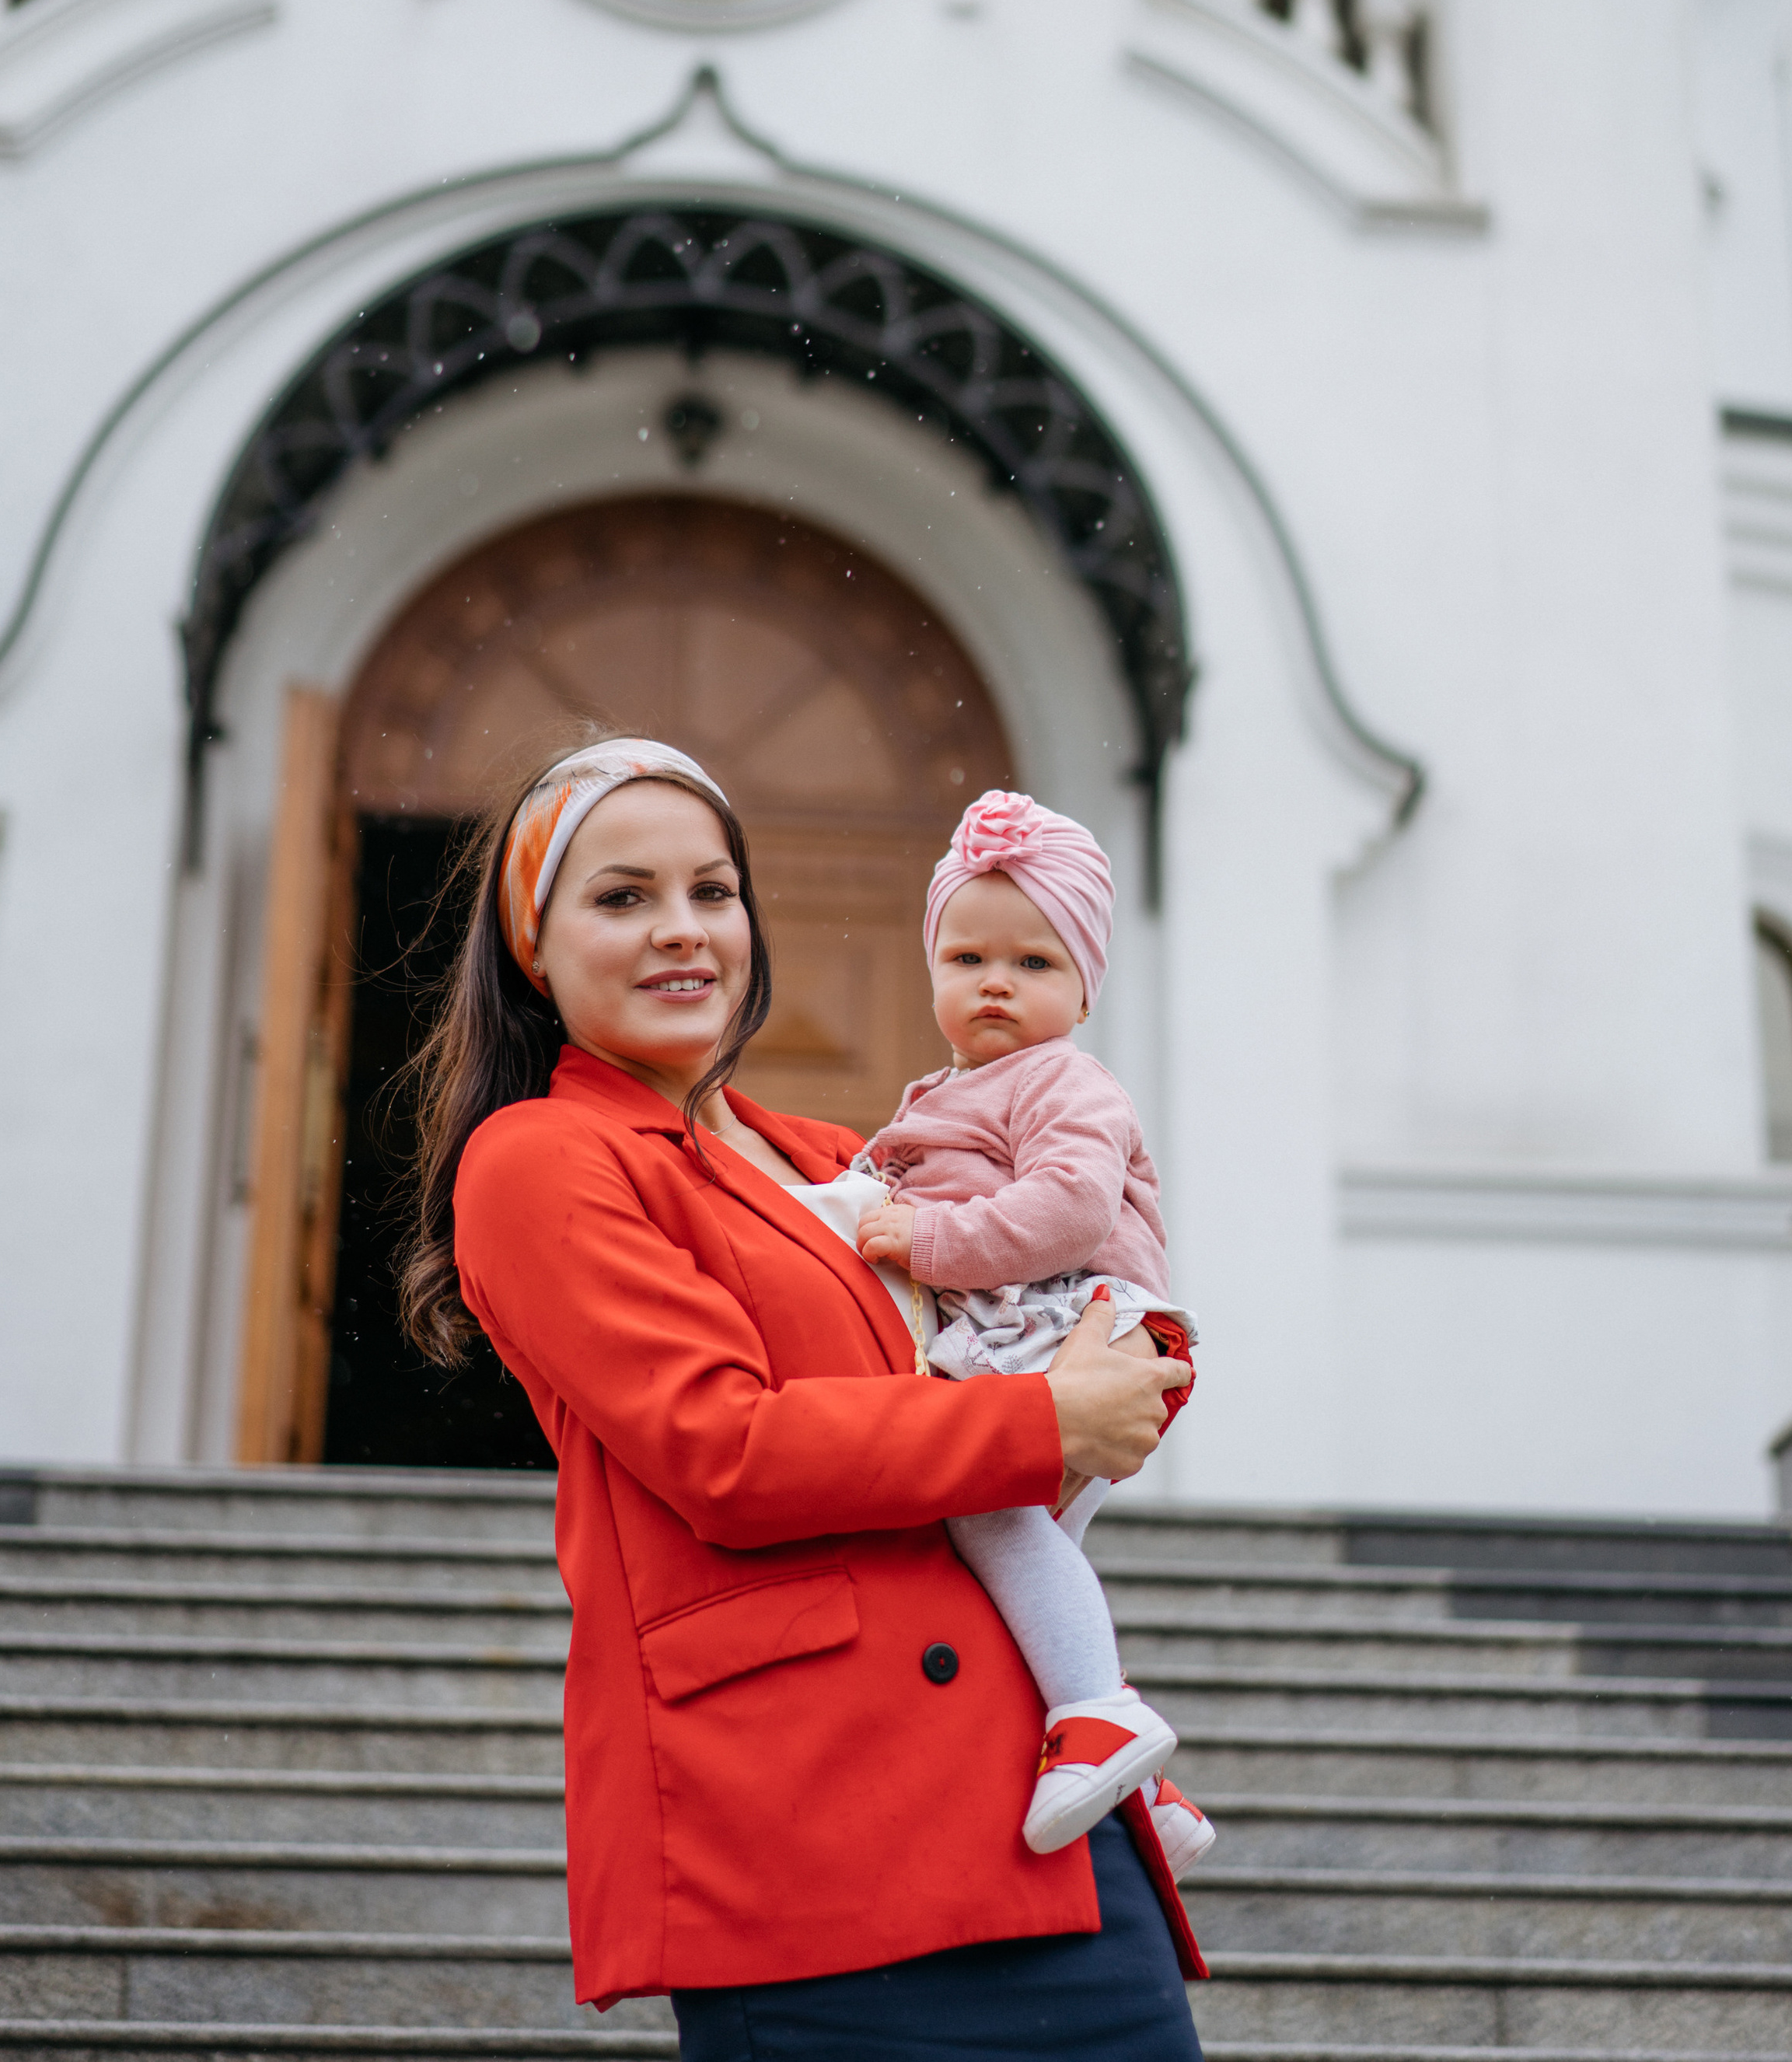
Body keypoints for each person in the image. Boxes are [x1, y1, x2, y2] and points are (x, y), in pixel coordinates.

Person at [399, 732, 1204, 2057]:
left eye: (714, 891)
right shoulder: (538, 1157)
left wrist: (1132, 1346)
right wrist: (1045, 1419)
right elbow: (727, 1450)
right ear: (533, 945)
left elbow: (1039, 1287)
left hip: (1035, 1808)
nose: (684, 932)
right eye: (623, 896)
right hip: (822, 1833)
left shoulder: (832, 1152)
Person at [853, 789, 1215, 1871]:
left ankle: (1099, 1716)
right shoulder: (952, 1087)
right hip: (1030, 1330)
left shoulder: (1068, 1081)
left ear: (1086, 989)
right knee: (1030, 1555)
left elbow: (1068, 1210)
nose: (996, 982)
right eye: (966, 958)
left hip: (1081, 1326)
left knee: (988, 1511)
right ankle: (1139, 1780)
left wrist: (924, 1236)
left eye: (1035, 963)